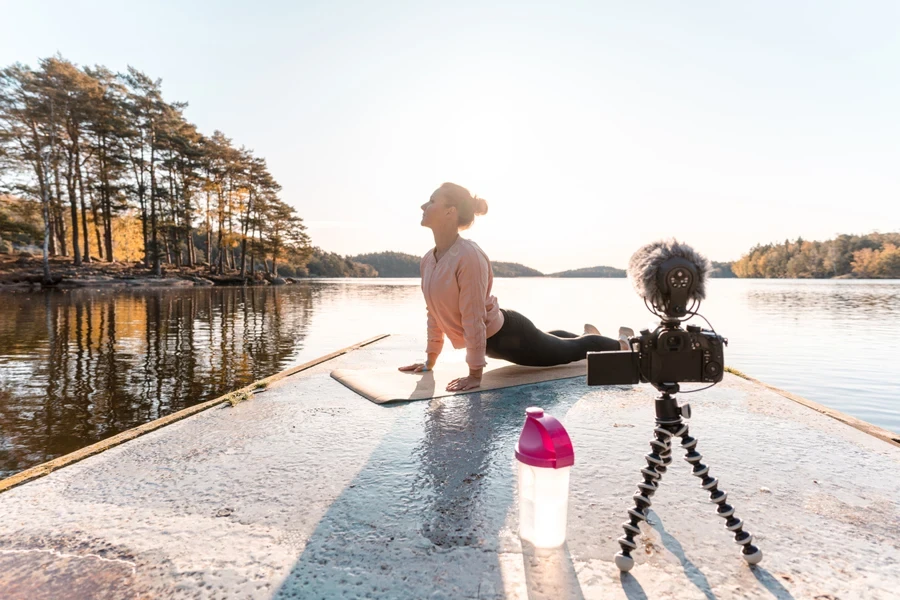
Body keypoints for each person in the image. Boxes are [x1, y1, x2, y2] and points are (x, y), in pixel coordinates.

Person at [399, 182, 632, 392]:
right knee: (555, 342)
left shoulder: (468, 256)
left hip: (509, 337)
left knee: (571, 351)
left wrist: (474, 375)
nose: (423, 206)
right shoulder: (429, 260)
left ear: (451, 211)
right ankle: (587, 336)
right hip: (497, 339)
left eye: (431, 201)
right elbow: (434, 313)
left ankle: (624, 343)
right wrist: (429, 361)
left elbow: (473, 317)